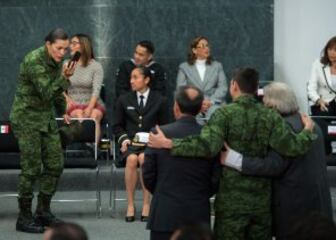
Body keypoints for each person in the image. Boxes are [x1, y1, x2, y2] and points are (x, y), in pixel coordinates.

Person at [148, 67, 316, 240]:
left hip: (231, 203)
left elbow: (207, 146)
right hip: (260, 203)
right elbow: (293, 146)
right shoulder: (270, 116)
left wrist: (170, 143)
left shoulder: (224, 114)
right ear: (255, 87)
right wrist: (308, 131)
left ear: (234, 85)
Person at [221, 82, 332, 239]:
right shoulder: (311, 124)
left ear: (271, 106)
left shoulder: (282, 129)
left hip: (294, 210)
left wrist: (233, 159)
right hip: (317, 204)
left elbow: (272, 166)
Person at [9, 28, 76, 233]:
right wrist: (65, 78)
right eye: (58, 48)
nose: (62, 53)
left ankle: (43, 211)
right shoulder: (33, 61)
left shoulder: (56, 62)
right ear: (48, 44)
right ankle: (24, 217)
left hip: (45, 120)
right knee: (31, 170)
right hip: (26, 119)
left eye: (65, 49)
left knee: (55, 164)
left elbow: (56, 95)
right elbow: (47, 91)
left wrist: (63, 111)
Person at [142, 86, 221, 240]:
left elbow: (148, 175)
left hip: (164, 213)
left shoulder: (158, 133)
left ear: (176, 107)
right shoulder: (209, 137)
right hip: (198, 214)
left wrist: (162, 192)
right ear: (200, 109)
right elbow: (215, 178)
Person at [113, 66, 168, 222]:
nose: (131, 81)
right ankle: (130, 205)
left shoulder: (160, 100)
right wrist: (123, 139)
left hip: (151, 144)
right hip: (130, 144)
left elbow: (165, 126)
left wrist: (156, 139)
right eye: (131, 77)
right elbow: (117, 126)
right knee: (131, 160)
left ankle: (146, 204)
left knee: (144, 159)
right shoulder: (124, 99)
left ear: (146, 80)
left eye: (136, 77)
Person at [64, 33, 105, 144]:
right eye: (70, 43)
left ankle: (94, 150)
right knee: (78, 114)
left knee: (94, 116)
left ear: (83, 46)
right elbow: (59, 87)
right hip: (74, 103)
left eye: (74, 43)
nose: (70, 46)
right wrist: (67, 98)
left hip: (93, 102)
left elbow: (97, 90)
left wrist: (90, 108)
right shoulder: (67, 64)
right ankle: (83, 146)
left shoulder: (96, 66)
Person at [176, 36, 227, 124]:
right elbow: (181, 89)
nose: (206, 48)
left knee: (217, 115)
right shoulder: (184, 67)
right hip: (193, 104)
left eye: (207, 46)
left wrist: (210, 101)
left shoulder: (217, 66)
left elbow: (223, 87)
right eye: (203, 46)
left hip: (213, 103)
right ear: (194, 50)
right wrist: (198, 102)